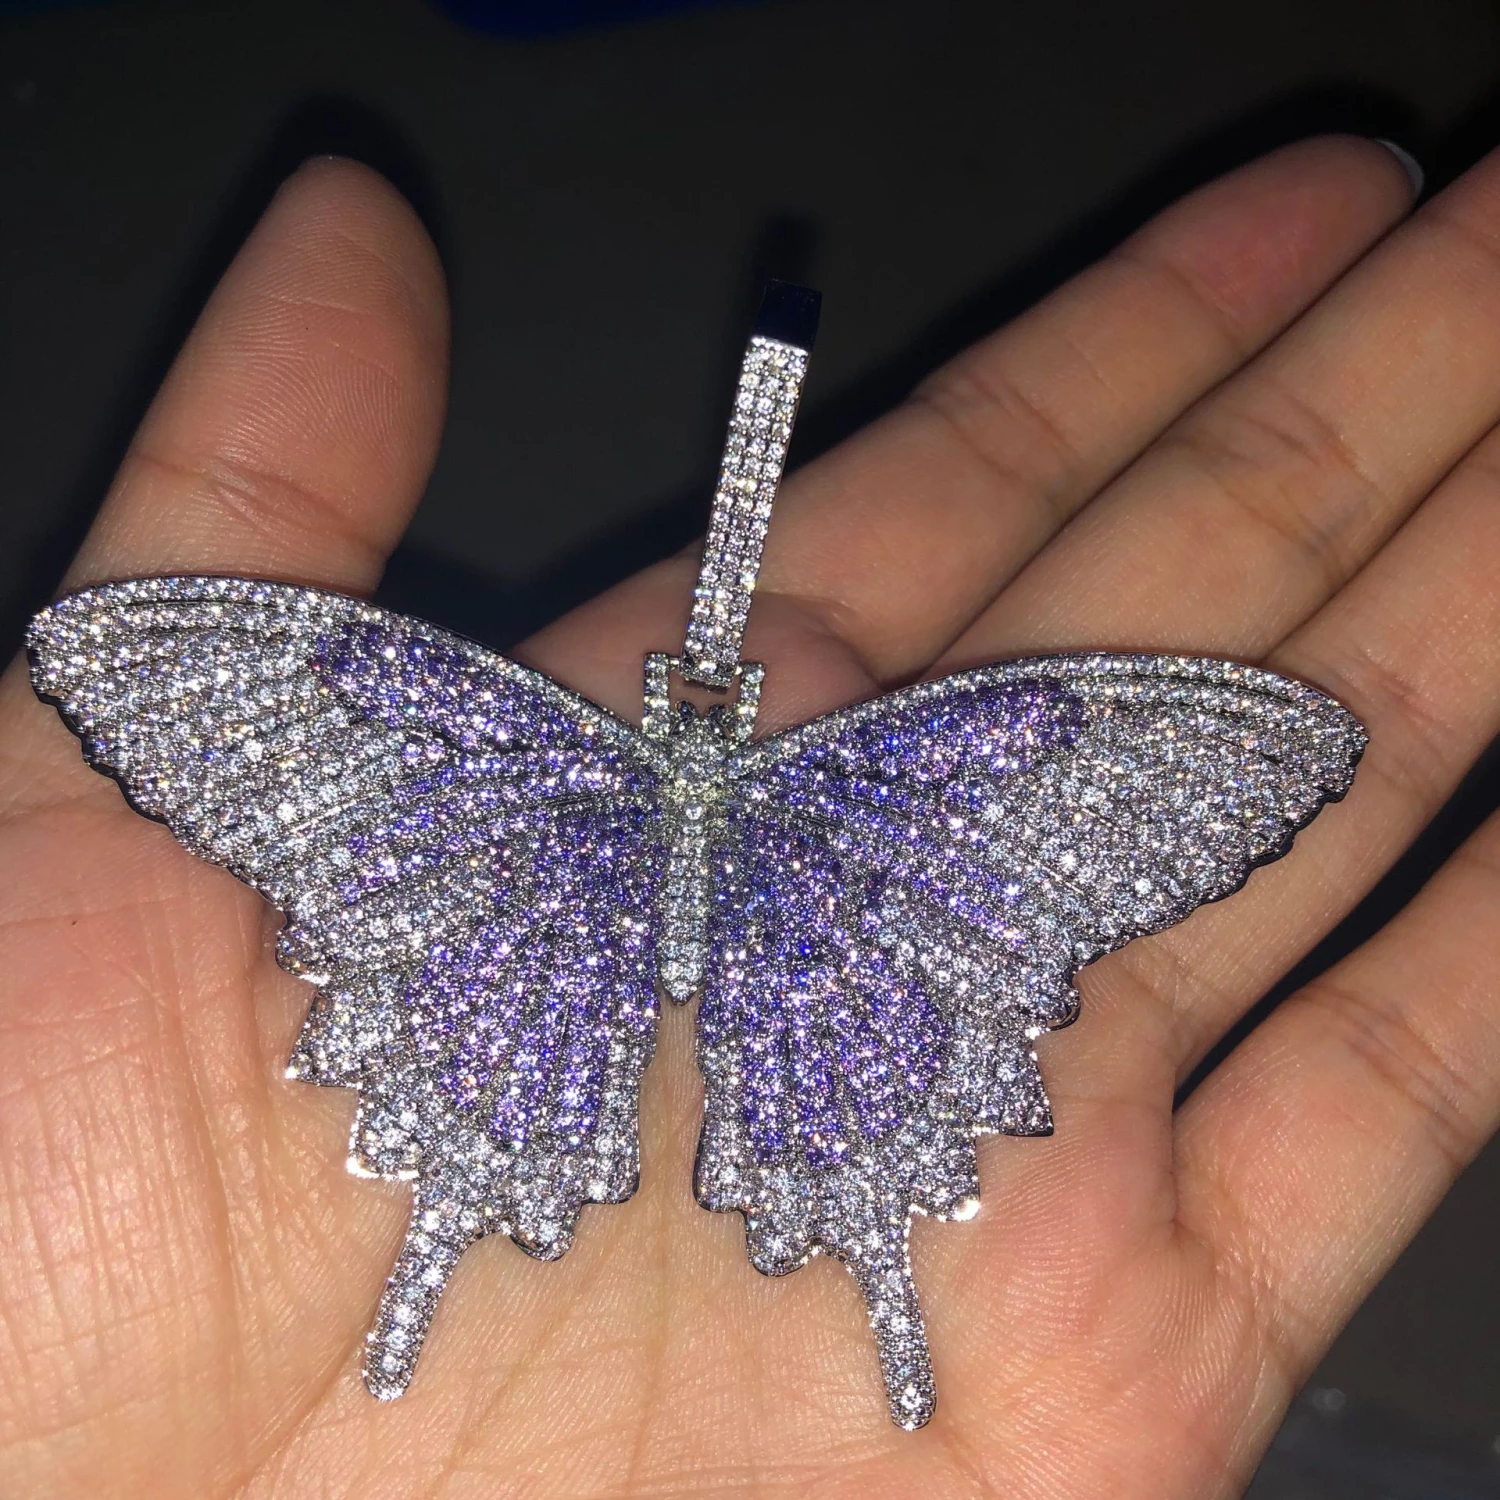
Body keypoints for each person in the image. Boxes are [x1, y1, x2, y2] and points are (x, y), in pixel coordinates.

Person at [2, 136, 1495, 1499]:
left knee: (659, 1152)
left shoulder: (493, 738)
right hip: (704, 938)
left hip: (592, 936)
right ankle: (804, 1317)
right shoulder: (857, 769)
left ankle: (745, 1306)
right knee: (583, 1159)